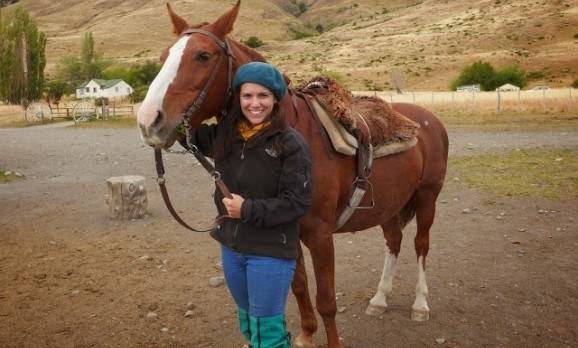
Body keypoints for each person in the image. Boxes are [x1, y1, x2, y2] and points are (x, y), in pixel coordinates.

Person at [187, 62, 313, 348]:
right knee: (248, 321)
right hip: (232, 247)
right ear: (238, 98)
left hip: (270, 252)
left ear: (275, 99)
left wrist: (247, 210)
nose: (255, 104)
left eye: (263, 96)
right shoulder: (225, 135)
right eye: (247, 96)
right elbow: (185, 130)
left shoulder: (290, 144)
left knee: (267, 331)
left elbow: (298, 202)